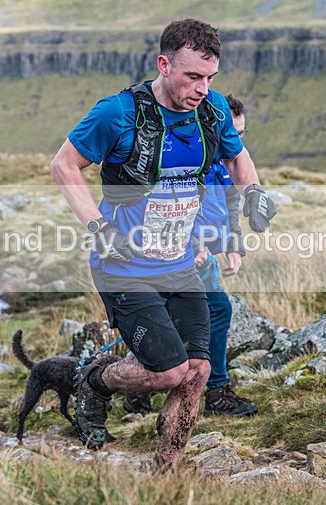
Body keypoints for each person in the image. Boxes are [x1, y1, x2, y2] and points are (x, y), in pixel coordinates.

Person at [50, 18, 276, 468]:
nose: (202, 88)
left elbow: (237, 155)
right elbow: (64, 165)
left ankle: (166, 473)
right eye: (192, 76)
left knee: (198, 372)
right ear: (163, 64)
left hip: (177, 264)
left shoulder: (211, 110)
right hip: (123, 264)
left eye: (210, 78)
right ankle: (94, 382)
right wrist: (98, 226)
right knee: (168, 370)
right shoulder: (119, 113)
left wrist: (253, 192)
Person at [123, 94, 256, 418]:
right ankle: (205, 391)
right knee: (200, 313)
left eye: (241, 135)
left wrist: (233, 246)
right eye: (231, 133)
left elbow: (232, 205)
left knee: (199, 314)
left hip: (202, 254)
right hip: (176, 255)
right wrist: (194, 245)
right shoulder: (195, 160)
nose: (235, 142)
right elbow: (175, 207)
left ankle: (147, 395)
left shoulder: (226, 166)